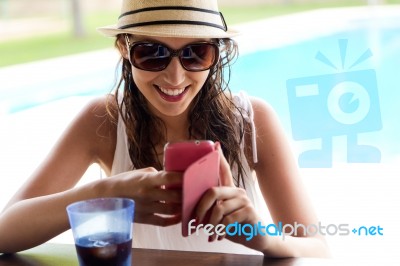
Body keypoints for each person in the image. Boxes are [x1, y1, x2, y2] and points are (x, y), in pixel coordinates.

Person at [0, 0, 330, 257]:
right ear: (123, 49)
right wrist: (104, 195)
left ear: (216, 53)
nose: (175, 78)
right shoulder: (104, 120)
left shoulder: (251, 120)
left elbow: (318, 248)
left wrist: (262, 237)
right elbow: (6, 231)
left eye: (196, 53)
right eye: (152, 53)